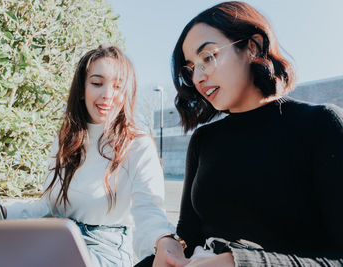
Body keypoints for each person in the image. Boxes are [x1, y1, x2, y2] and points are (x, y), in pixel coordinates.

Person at [139, 1, 343, 266]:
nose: (198, 77)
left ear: (252, 46)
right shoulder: (203, 140)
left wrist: (240, 263)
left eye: (208, 57)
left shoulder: (321, 124)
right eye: (190, 68)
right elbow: (189, 235)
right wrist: (169, 242)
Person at [0, 45, 175, 267]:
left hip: (105, 248)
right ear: (82, 90)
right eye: (97, 83)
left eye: (117, 86)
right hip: (59, 238)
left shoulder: (138, 144)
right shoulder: (67, 138)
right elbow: (48, 204)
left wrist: (164, 241)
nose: (107, 95)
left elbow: (150, 210)